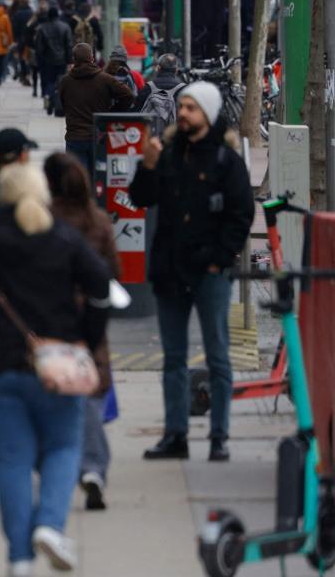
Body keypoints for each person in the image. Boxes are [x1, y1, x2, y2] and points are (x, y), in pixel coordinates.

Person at [0, 111, 110, 577]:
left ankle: (18, 559)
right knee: (62, 448)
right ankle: (51, 526)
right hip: (57, 362)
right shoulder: (63, 238)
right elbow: (101, 286)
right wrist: (86, 338)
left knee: (12, 460)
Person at [131, 81, 255, 463]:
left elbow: (241, 214)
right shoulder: (166, 154)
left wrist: (219, 259)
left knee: (217, 355)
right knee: (174, 358)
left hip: (210, 273)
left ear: (208, 114)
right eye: (181, 106)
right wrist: (147, 166)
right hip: (170, 270)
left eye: (191, 108)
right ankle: (176, 435)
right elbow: (140, 198)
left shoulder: (225, 160)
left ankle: (219, 435)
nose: (182, 113)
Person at [43, 152, 120, 512]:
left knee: (50, 391)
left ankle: (54, 464)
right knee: (87, 392)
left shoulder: (44, 219)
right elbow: (113, 269)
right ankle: (92, 467)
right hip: (89, 315)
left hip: (49, 314)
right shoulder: (99, 220)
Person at [58, 43, 135, 180]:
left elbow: (61, 106)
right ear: (92, 59)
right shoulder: (104, 79)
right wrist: (111, 113)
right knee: (99, 177)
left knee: (78, 178)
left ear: (74, 60)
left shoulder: (66, 81)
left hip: (75, 136)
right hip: (98, 135)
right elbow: (128, 95)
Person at [134, 53, 186, 133]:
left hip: (151, 134)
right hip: (174, 136)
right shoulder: (184, 90)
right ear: (176, 70)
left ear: (158, 68)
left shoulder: (147, 88)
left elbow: (136, 111)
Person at [35, 7, 73, 115]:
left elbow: (39, 47)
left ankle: (49, 101)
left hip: (48, 60)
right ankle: (59, 104)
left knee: (50, 82)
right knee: (62, 82)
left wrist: (41, 59)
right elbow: (69, 45)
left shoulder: (42, 28)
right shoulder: (65, 27)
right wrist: (70, 61)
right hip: (62, 60)